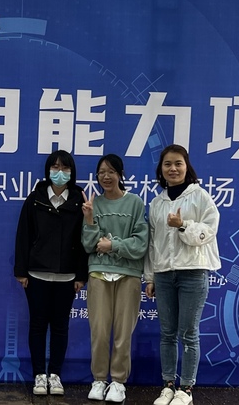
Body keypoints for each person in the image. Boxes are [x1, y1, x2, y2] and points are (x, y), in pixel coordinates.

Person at [145, 144, 220, 405]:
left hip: (193, 273)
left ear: (187, 167)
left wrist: (183, 225)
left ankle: (186, 389)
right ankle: (168, 385)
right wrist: (151, 277)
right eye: (167, 164)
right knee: (167, 333)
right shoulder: (157, 203)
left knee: (188, 333)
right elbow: (153, 244)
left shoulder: (200, 197)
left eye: (178, 163)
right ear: (161, 169)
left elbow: (209, 231)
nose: (173, 169)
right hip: (164, 275)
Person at [14, 150, 88, 396]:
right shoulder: (35, 199)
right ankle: (39, 374)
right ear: (47, 170)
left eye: (65, 168)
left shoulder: (78, 200)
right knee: (37, 325)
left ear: (72, 172)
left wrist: (81, 275)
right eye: (55, 167)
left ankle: (55, 374)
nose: (60, 172)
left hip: (67, 276)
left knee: (60, 326)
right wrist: (21, 271)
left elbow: (84, 240)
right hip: (36, 274)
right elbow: (23, 236)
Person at [81, 154, 149, 403]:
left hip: (129, 275)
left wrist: (113, 245)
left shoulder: (135, 203)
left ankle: (118, 382)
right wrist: (90, 220)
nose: (106, 177)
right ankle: (99, 379)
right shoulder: (94, 204)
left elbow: (140, 243)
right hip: (98, 272)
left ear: (120, 174)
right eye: (101, 172)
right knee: (99, 331)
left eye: (111, 171)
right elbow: (89, 245)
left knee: (123, 332)